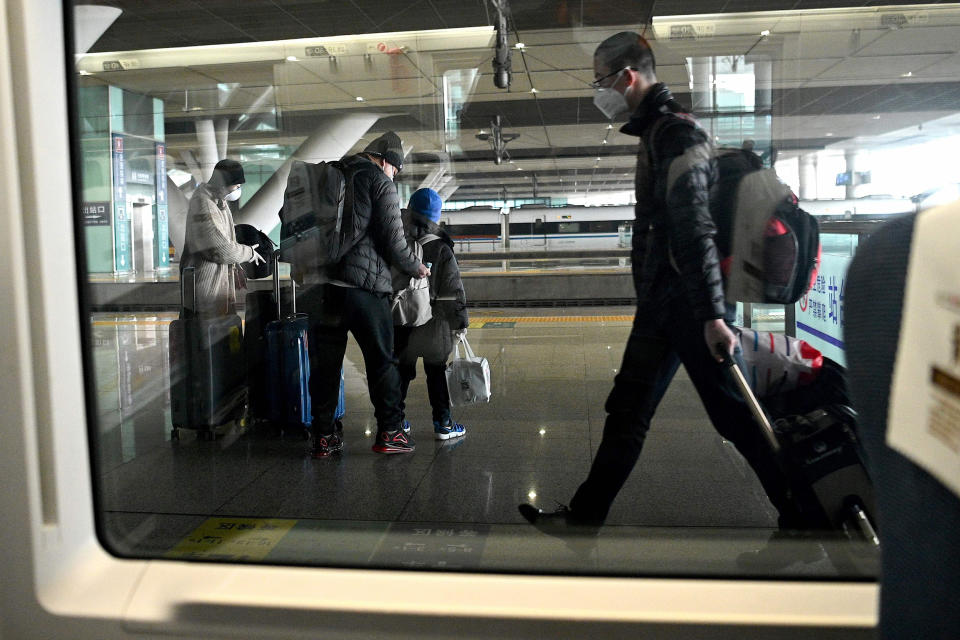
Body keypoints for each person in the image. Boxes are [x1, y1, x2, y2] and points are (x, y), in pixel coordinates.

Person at [519, 32, 803, 534]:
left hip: (691, 306)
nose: (599, 91)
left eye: (600, 81)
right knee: (628, 408)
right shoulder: (657, 133)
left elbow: (694, 226)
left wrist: (713, 314)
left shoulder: (677, 135)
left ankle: (805, 513)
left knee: (733, 415)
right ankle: (585, 519)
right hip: (664, 303)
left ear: (627, 77)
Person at [295, 131, 430, 457]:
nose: (394, 175)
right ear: (386, 160)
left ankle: (323, 437)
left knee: (325, 366)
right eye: (395, 170)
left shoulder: (332, 174)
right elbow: (394, 241)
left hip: (324, 287)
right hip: (364, 291)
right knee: (382, 362)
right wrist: (417, 267)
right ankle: (391, 432)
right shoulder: (378, 182)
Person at [393, 188, 469, 440]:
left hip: (401, 318)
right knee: (436, 373)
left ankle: (397, 421)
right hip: (434, 322)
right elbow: (453, 289)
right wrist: (460, 322)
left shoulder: (396, 241)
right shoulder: (442, 248)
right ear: (435, 215)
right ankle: (443, 424)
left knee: (401, 373)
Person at [180, 159, 265, 318]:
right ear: (224, 183)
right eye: (237, 185)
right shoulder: (204, 204)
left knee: (222, 336)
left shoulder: (218, 201)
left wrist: (235, 265)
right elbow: (220, 250)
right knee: (209, 339)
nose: (239, 189)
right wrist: (249, 253)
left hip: (214, 290)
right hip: (205, 294)